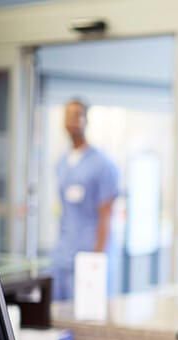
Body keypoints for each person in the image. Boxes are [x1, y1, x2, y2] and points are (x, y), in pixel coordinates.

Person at [50, 98, 120, 302]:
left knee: (86, 316)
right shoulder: (62, 163)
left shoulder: (102, 164)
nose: (72, 120)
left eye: (77, 115)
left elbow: (106, 215)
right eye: (67, 115)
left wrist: (96, 260)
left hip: (89, 254)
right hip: (63, 253)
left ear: (86, 120)